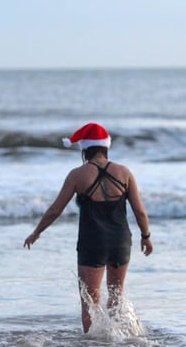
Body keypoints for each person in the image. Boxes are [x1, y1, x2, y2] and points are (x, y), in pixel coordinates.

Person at [23, 122, 153, 333]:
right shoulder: (124, 173)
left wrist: (37, 232)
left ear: (85, 149)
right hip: (121, 240)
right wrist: (146, 236)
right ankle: (118, 341)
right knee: (117, 294)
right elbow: (140, 211)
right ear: (106, 147)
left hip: (92, 241)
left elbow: (55, 209)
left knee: (90, 301)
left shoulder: (77, 175)